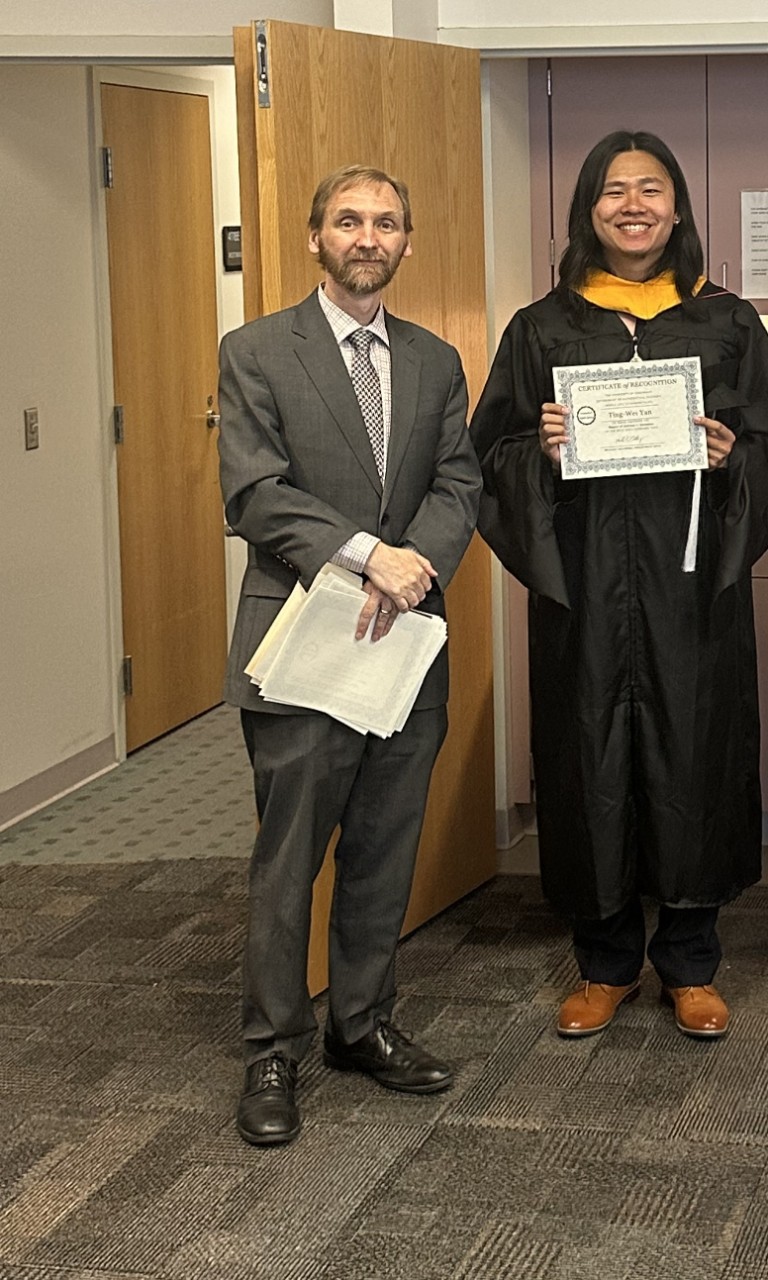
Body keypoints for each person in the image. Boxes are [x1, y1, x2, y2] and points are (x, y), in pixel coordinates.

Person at [471, 131, 768, 1042]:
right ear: (587, 211)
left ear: (678, 208)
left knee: (694, 757)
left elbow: (766, 442)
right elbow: (489, 453)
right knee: (587, 756)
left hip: (689, 591)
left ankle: (689, 962)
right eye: (612, 190)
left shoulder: (726, 322)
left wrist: (728, 458)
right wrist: (544, 450)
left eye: (651, 188)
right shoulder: (542, 326)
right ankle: (603, 962)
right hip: (588, 587)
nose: (631, 204)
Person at [218, 164, 481, 1145]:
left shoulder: (434, 358)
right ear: (316, 236)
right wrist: (375, 556)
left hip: (404, 647)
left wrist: (416, 568)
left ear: (406, 242)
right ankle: (273, 1044)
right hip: (300, 639)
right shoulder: (255, 352)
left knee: (384, 842)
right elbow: (256, 492)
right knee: (288, 857)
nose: (367, 235)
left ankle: (360, 1024)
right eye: (347, 220)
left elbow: (459, 481)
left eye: (384, 222)